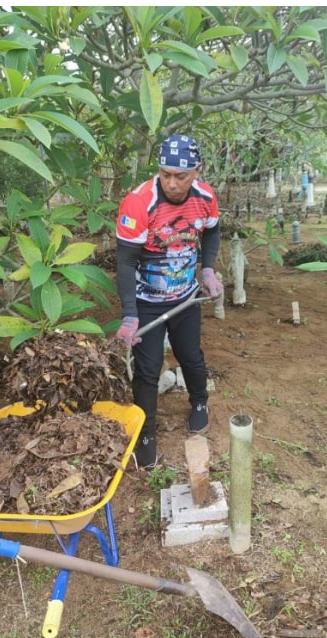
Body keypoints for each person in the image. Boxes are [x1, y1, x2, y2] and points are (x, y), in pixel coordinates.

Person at [114, 134, 222, 467]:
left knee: (191, 355)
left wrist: (207, 271)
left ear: (197, 171)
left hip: (186, 297)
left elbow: (213, 231)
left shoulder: (205, 198)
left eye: (181, 176)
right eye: (165, 174)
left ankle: (200, 402)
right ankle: (145, 434)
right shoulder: (139, 203)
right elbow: (125, 260)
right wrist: (130, 315)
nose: (172, 183)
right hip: (147, 301)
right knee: (147, 370)